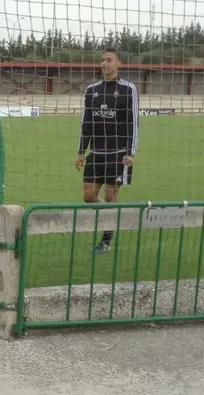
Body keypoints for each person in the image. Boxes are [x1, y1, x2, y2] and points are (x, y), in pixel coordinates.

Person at [75, 47, 139, 254]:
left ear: (118, 64)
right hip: (96, 153)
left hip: (118, 154)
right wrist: (81, 151)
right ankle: (112, 215)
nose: (104, 64)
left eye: (109, 60)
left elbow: (133, 122)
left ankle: (106, 240)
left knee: (112, 197)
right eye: (102, 60)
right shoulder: (92, 90)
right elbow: (86, 122)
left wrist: (131, 152)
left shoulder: (129, 89)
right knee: (88, 196)